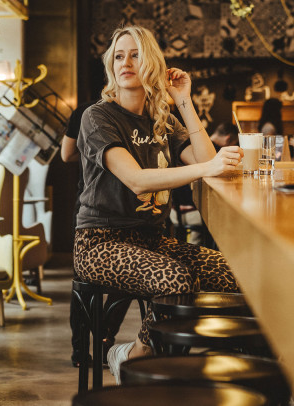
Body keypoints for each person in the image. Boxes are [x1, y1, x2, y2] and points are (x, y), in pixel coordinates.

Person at [74, 25, 242, 384]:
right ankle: (135, 359)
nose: (126, 62)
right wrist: (208, 166)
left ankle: (230, 376)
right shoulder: (98, 117)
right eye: (119, 56)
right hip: (100, 243)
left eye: (135, 54)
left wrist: (182, 100)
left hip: (150, 239)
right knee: (175, 278)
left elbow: (206, 160)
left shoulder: (161, 120)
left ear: (152, 62)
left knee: (234, 271)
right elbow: (136, 180)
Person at [61, 100, 132, 367]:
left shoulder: (84, 111)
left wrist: (95, 150)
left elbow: (66, 154)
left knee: (84, 280)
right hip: (130, 204)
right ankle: (105, 338)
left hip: (89, 203)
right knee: (127, 276)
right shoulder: (140, 114)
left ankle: (80, 351)